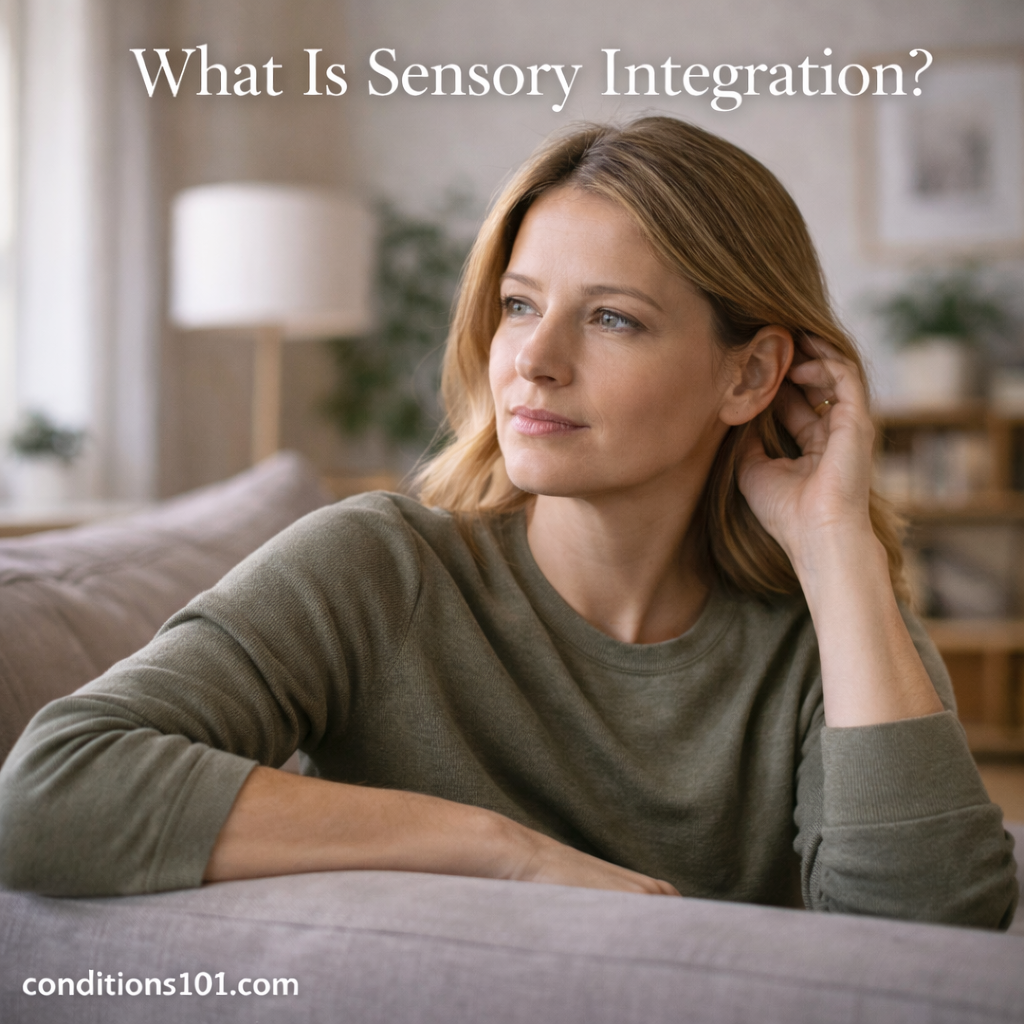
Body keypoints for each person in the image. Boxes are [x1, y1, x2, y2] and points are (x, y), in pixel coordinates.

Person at [0, 117, 1017, 927]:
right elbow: (51, 789)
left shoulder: (826, 637)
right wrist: (496, 849)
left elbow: (930, 937)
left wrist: (836, 545)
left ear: (749, 373)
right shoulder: (375, 568)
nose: (532, 359)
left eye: (612, 317)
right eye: (521, 305)